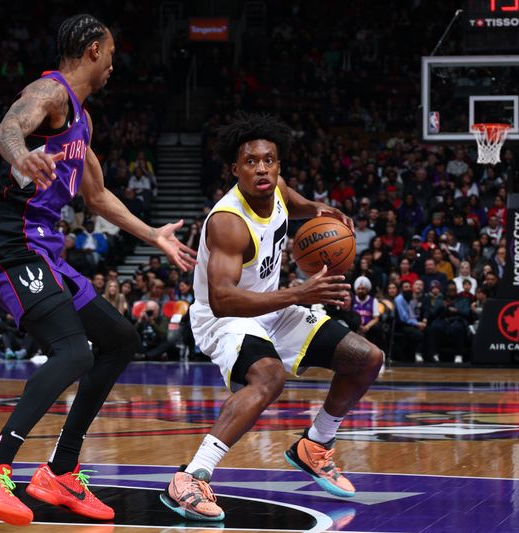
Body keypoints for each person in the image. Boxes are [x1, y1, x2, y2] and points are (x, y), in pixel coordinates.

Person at [0, 14, 196, 526]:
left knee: (121, 339)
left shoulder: (82, 120)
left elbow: (96, 194)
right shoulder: (52, 92)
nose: (113, 63)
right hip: (9, 243)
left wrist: (151, 235)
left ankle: (60, 472)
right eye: (109, 52)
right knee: (73, 351)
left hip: (45, 251)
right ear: (91, 50)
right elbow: (8, 128)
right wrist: (22, 154)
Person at [162, 113, 382, 521]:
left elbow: (300, 206)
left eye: (269, 160)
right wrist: (301, 292)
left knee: (366, 358)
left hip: (272, 306)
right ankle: (191, 477)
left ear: (279, 165)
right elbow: (224, 300)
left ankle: (315, 444)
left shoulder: (276, 188)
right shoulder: (228, 222)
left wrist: (325, 212)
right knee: (269, 376)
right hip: (223, 319)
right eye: (250, 162)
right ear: (235, 169)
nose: (261, 168)